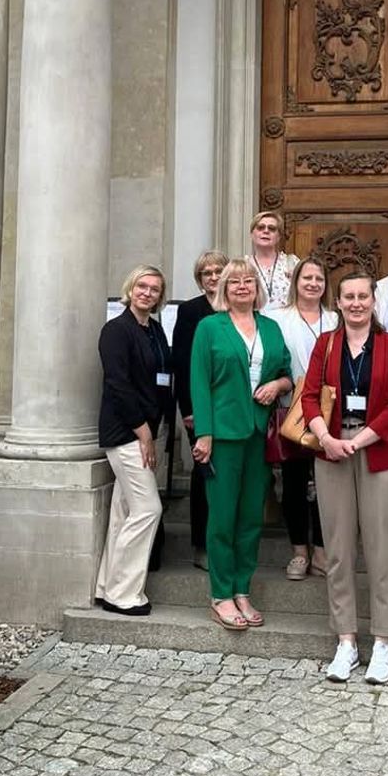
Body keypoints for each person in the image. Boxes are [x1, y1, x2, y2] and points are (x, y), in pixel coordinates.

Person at [303, 272, 388, 685]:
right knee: (339, 549)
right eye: (349, 296)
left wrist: (359, 440)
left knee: (382, 548)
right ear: (339, 302)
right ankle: (346, 640)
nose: (356, 303)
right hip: (331, 449)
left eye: (363, 296)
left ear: (373, 300)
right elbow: (310, 395)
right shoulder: (325, 344)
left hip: (377, 448)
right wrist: (327, 438)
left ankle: (382, 642)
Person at [190, 259, 292, 631]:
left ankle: (242, 589)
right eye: (235, 282)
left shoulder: (271, 327)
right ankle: (221, 594)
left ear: (257, 289)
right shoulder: (209, 327)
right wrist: (204, 433)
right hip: (223, 434)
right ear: (224, 289)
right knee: (222, 516)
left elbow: (286, 374)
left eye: (249, 281)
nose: (243, 286)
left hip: (258, 432)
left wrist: (278, 386)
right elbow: (198, 381)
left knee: (251, 516)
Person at [95, 265, 173, 616]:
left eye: (155, 289)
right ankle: (123, 594)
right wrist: (144, 432)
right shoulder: (116, 330)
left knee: (123, 510)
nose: (147, 293)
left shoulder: (155, 331)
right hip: (125, 431)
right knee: (147, 509)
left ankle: (105, 587)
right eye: (142, 286)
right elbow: (118, 384)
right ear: (130, 288)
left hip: (148, 427)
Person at [265, 257, 338, 580]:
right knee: (294, 483)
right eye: (306, 277)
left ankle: (322, 550)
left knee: (328, 484)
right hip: (291, 409)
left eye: (318, 278)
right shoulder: (277, 319)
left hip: (332, 411)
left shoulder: (336, 318)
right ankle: (299, 551)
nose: (312, 283)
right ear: (295, 282)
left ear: (325, 284)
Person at [171, 250, 228, 571]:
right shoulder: (191, 311)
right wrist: (188, 409)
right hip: (200, 407)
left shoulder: (238, 307)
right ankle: (201, 546)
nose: (213, 276)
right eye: (206, 272)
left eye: (218, 270)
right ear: (200, 278)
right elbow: (181, 361)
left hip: (231, 406)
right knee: (203, 474)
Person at [247, 209, 300, 310]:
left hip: (287, 322)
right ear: (252, 234)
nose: (266, 231)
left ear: (279, 236)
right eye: (260, 228)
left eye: (272, 228)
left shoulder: (292, 263)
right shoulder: (244, 265)